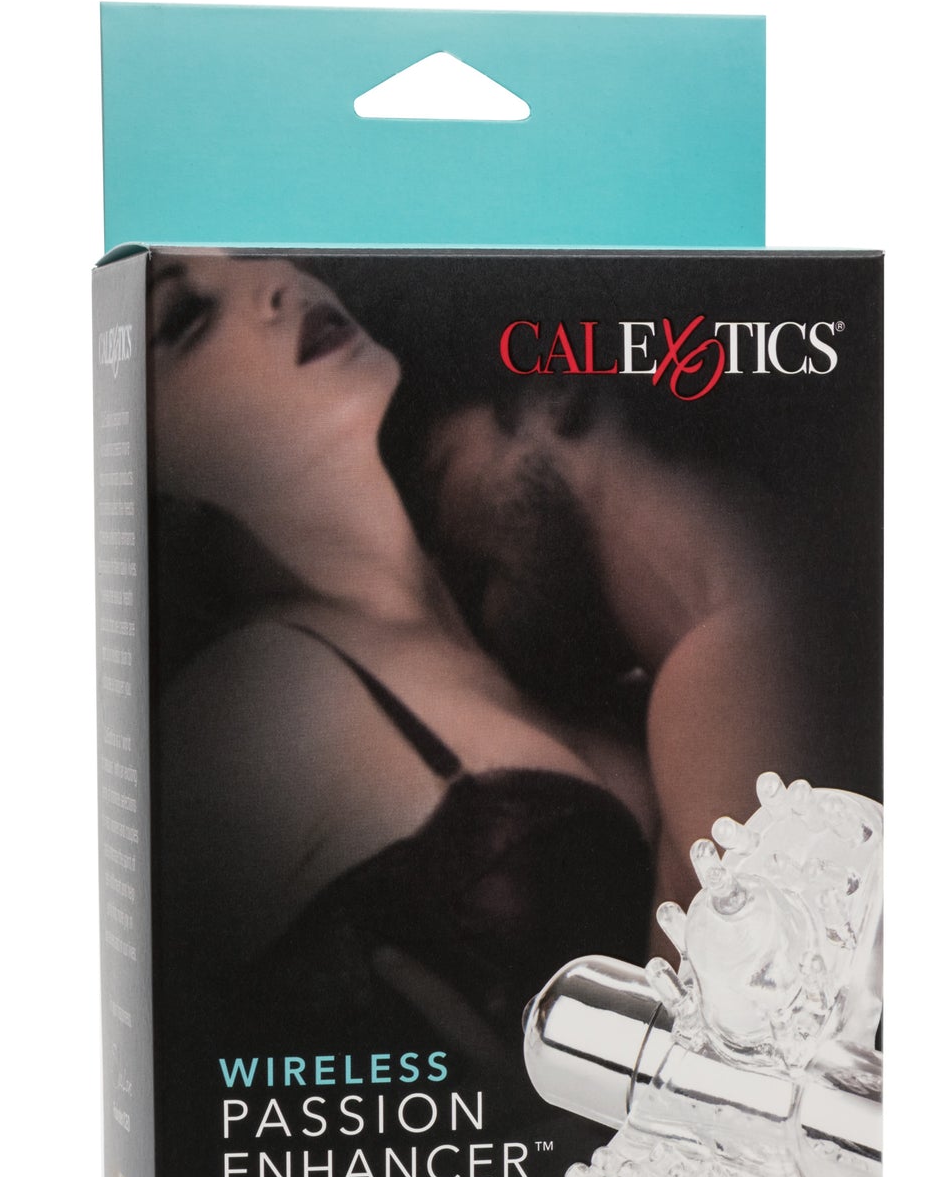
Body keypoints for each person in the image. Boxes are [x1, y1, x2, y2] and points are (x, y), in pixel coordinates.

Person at [149, 254, 656, 1085]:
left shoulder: (529, 591)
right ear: (143, 455)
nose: (275, 283)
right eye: (185, 319)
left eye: (250, 252)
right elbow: (182, 1105)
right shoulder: (250, 703)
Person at [420, 393, 809, 924]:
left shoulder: (728, 670)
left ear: (553, 389)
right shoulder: (769, 601)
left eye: (436, 477)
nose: (434, 566)